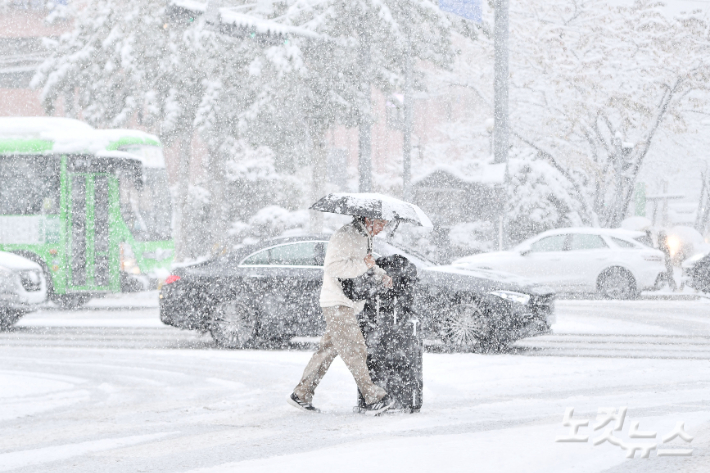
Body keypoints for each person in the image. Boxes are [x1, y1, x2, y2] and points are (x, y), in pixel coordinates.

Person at [288, 216, 395, 415]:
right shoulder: (346, 235)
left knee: (327, 351)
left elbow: (365, 264)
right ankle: (372, 397)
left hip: (347, 303)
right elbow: (333, 267)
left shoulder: (364, 236)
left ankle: (301, 393)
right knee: (355, 348)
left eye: (385, 225)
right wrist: (363, 264)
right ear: (368, 219)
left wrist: (381, 275)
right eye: (380, 223)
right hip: (337, 301)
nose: (381, 229)